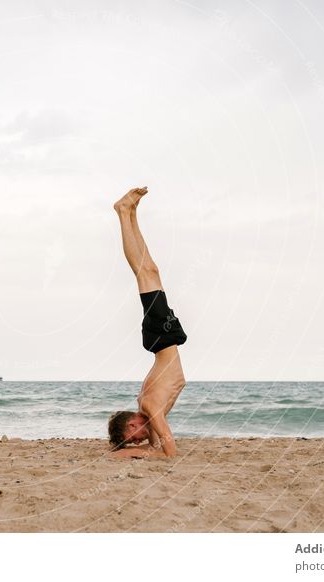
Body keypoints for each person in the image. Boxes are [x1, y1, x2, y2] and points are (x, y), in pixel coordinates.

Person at [108, 187, 187, 458]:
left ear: (131, 425)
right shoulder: (146, 406)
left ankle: (123, 213)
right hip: (160, 340)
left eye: (133, 439)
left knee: (144, 272)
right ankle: (130, 213)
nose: (139, 441)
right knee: (149, 270)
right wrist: (145, 449)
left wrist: (141, 454)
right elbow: (158, 442)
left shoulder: (150, 406)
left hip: (162, 338)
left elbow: (168, 451)